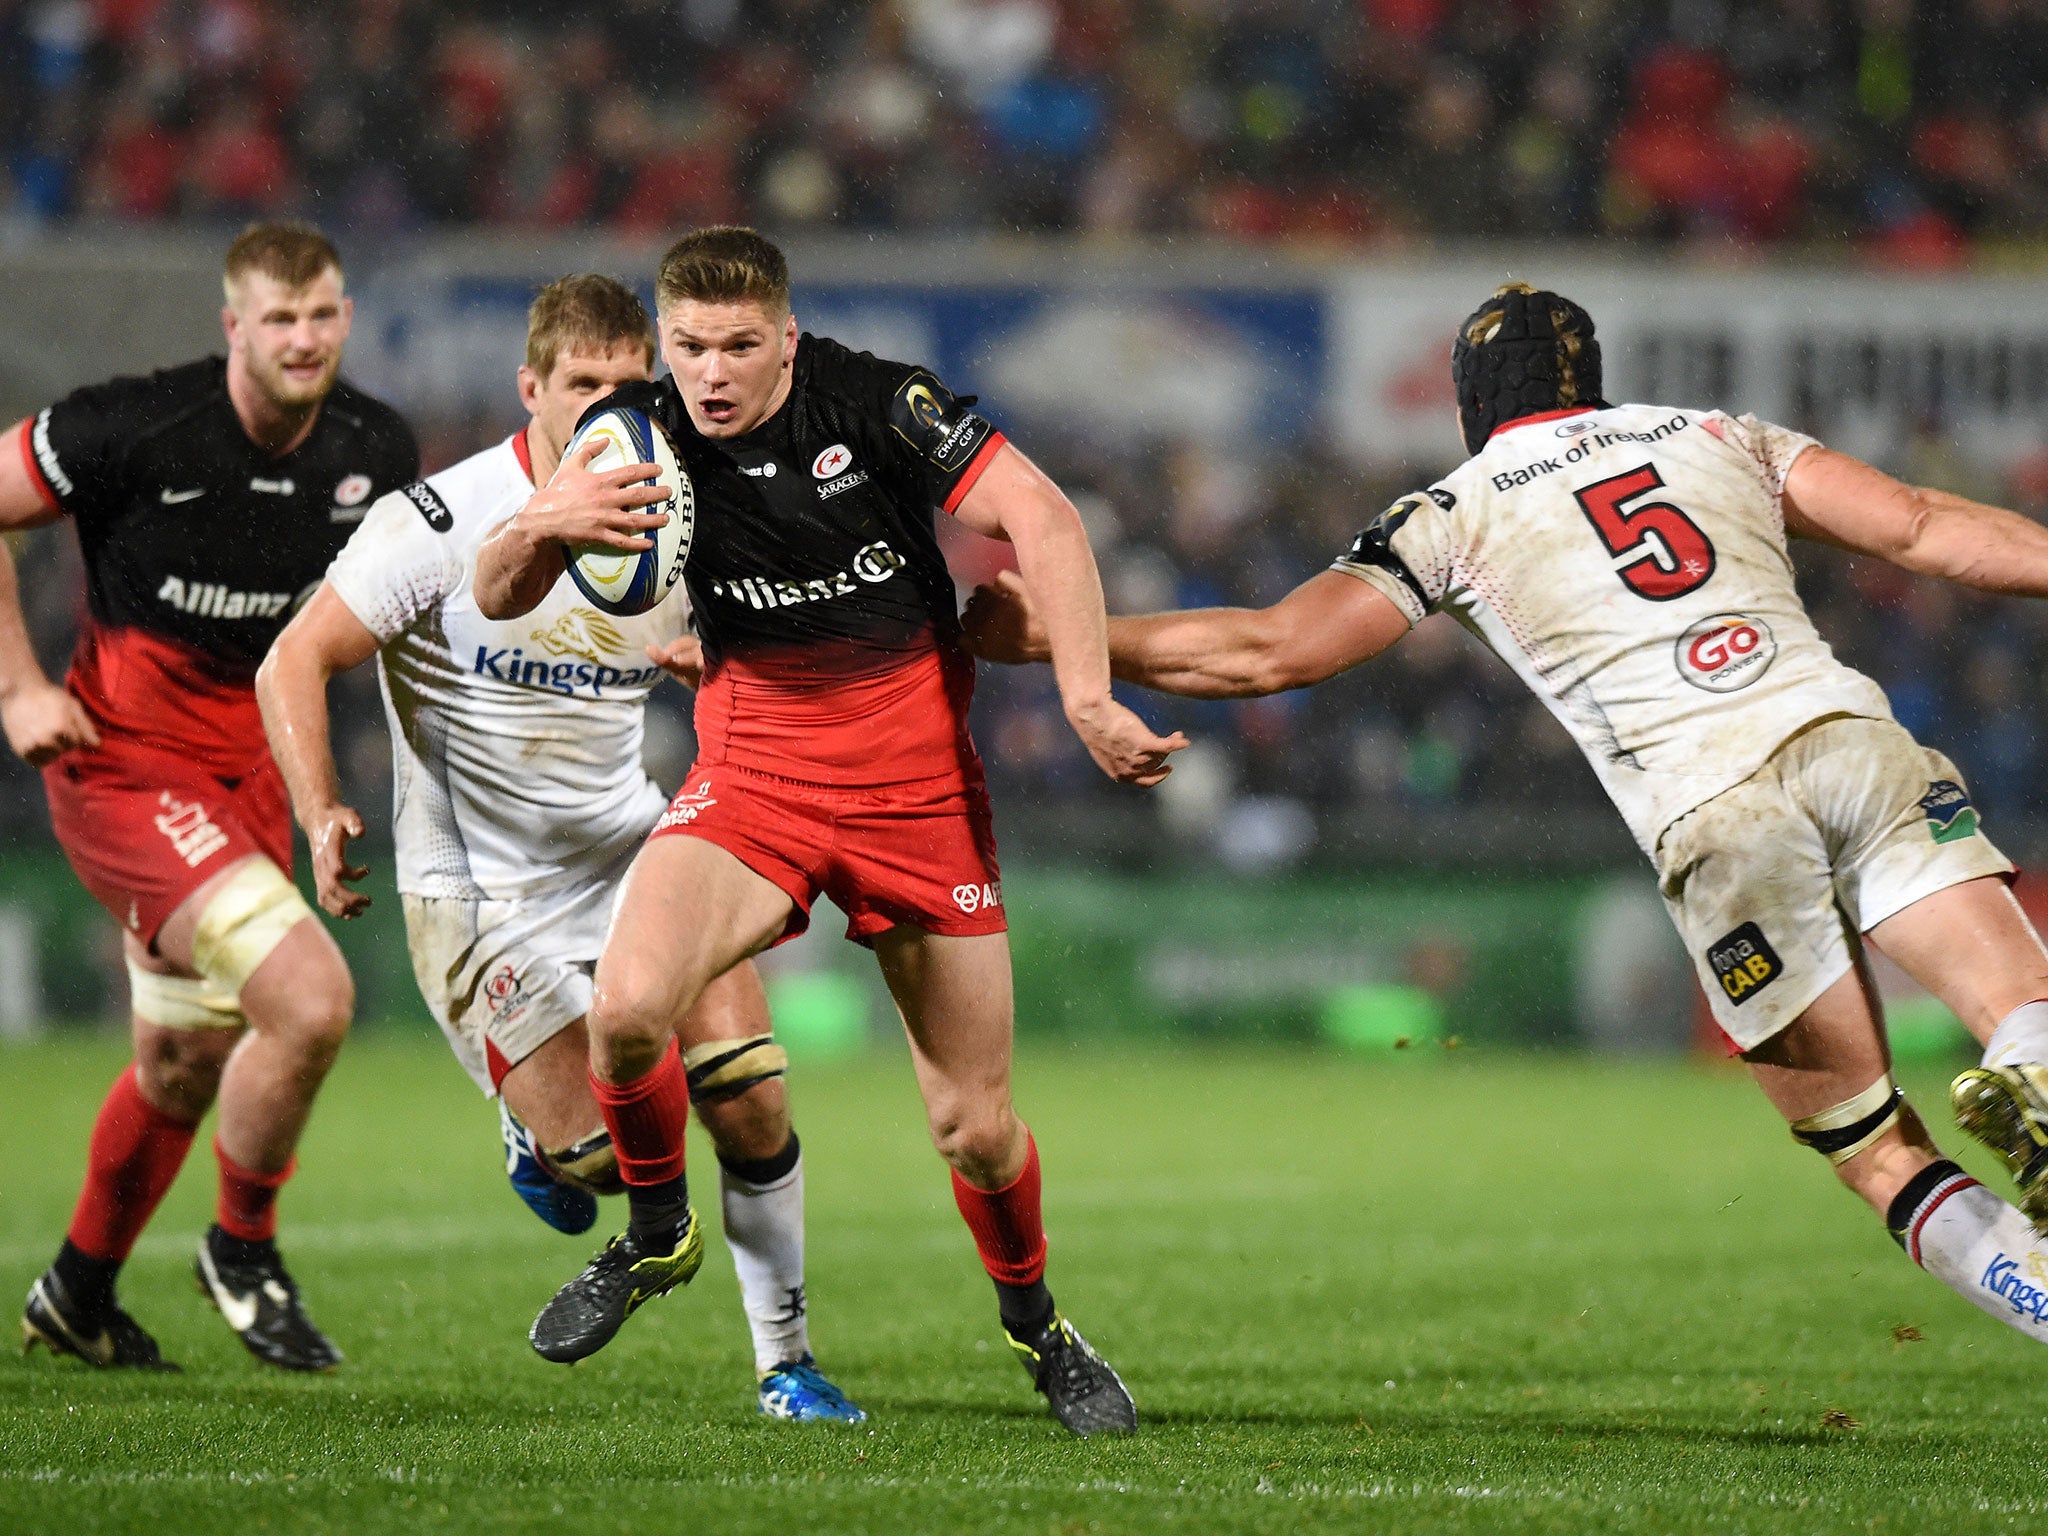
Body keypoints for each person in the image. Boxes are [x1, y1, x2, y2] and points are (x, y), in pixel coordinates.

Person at [966, 282, 2048, 1352]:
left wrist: (1066, 637)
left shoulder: (1454, 509)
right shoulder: (1717, 434)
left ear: (1468, 406)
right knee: (2018, 1005)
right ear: (1589, 379)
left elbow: (1271, 650)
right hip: (1841, 734)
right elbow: (1917, 527)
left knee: (1871, 1146)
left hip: (1710, 808)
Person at [475, 226, 1182, 1438]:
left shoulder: (875, 399)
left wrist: (1082, 696)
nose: (711, 371)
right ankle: (657, 1237)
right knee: (634, 1006)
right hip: (755, 779)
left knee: (974, 1127)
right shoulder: (636, 435)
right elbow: (496, 591)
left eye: (739, 345)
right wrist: (542, 525)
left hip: (915, 793)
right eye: (689, 344)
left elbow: (1045, 519)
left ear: (785, 338)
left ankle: (1037, 1328)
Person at [256, 273, 862, 1422]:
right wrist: (321, 804)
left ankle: (788, 1364)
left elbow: (760, 656)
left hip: (635, 845)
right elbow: (293, 661)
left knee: (752, 1102)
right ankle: (556, 1151)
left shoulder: (676, 513)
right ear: (530, 388)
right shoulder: (435, 522)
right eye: (582, 387)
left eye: (629, 389)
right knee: (605, 1159)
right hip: (475, 892)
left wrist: (714, 666)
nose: (607, 412)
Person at [5, 223, 418, 1372]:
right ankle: (242, 1249)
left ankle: (77, 1294)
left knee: (183, 1065)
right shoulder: (133, 426)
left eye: (322, 314)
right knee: (312, 999)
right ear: (232, 325)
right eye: (279, 318)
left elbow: (385, 619)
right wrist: (19, 685)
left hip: (245, 789)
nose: (304, 337)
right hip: (123, 771)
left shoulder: (373, 447)